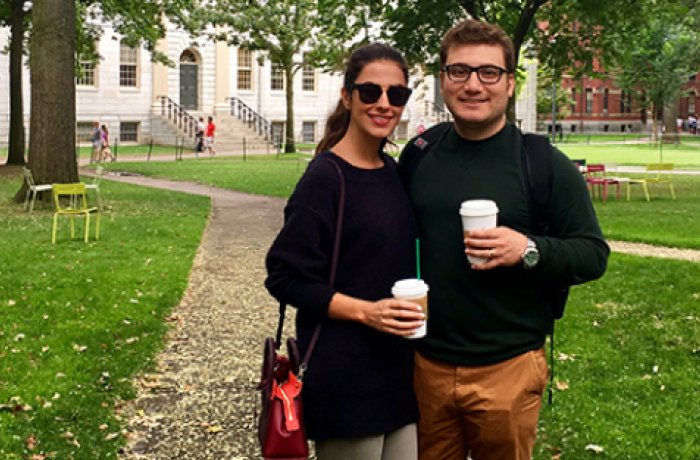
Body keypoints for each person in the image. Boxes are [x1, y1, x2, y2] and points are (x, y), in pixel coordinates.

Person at [398, 19, 609, 460]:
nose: (474, 84)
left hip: (508, 368)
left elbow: (592, 254)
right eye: (460, 71)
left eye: (489, 72)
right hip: (427, 366)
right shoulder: (419, 155)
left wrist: (527, 249)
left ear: (510, 83)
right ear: (443, 80)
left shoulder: (545, 165)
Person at [265, 43, 423, 459]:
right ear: (347, 96)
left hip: (399, 373)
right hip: (346, 377)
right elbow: (284, 276)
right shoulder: (326, 177)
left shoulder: (392, 171)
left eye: (397, 94)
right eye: (370, 92)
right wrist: (366, 312)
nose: (384, 104)